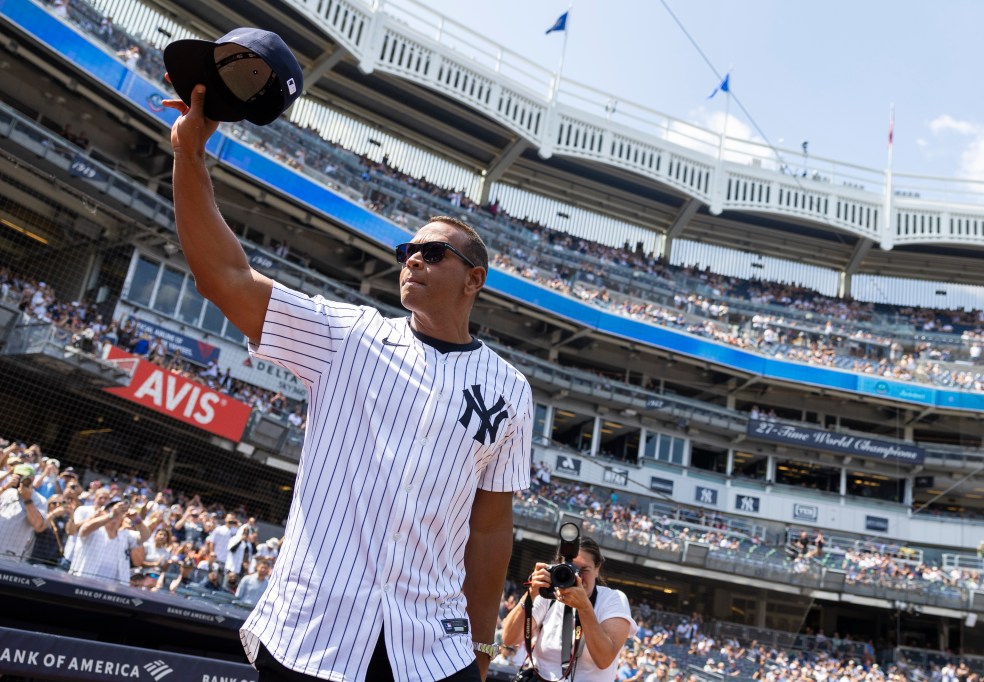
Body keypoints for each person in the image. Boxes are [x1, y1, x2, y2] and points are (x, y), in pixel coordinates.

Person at [164, 83, 533, 682]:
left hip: (433, 651)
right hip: (315, 632)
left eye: (431, 253)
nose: (411, 258)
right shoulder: (347, 335)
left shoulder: (510, 389)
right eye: (407, 249)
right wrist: (190, 156)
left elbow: (490, 530)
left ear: (475, 279)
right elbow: (226, 277)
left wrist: (485, 650)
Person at [501, 537, 637, 681]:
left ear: (597, 569)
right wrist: (531, 594)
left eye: (584, 570)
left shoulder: (612, 599)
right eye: (570, 570)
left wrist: (584, 607)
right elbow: (509, 639)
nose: (577, 577)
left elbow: (604, 659)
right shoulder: (547, 595)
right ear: (558, 567)